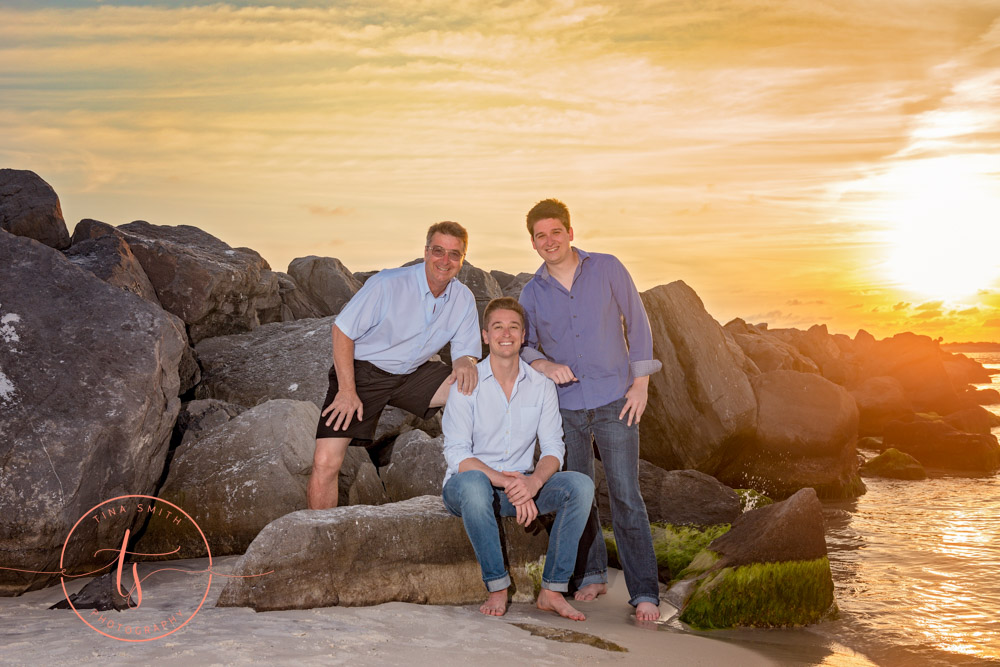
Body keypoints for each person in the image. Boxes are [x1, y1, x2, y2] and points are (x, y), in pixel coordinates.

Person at [517, 199, 662, 622]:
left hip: (617, 399)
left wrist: (641, 385)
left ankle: (645, 593)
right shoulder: (531, 292)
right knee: (580, 496)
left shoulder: (608, 267)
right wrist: (542, 364)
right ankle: (594, 573)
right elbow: (524, 343)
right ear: (533, 242)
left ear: (570, 232)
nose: (549, 241)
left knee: (626, 497)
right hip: (566, 409)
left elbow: (638, 322)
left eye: (555, 232)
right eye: (540, 236)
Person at [307, 221, 482, 510]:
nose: (445, 261)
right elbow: (342, 331)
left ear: (462, 259)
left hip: (413, 373)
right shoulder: (388, 284)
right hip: (364, 374)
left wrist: (467, 362)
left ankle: (467, 474)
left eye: (454, 254)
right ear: (425, 252)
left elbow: (466, 352)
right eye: (438, 251)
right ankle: (317, 541)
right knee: (325, 462)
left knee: (475, 388)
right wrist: (347, 390)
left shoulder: (462, 298)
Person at [441, 297, 594, 620]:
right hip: (469, 488)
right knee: (473, 484)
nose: (506, 333)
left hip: (521, 485)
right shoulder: (467, 383)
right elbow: (457, 453)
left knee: (580, 486)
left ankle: (552, 590)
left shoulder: (541, 386)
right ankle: (497, 586)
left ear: (524, 335)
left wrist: (534, 482)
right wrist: (509, 481)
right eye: (497, 327)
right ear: (485, 336)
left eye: (513, 327)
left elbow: (554, 448)